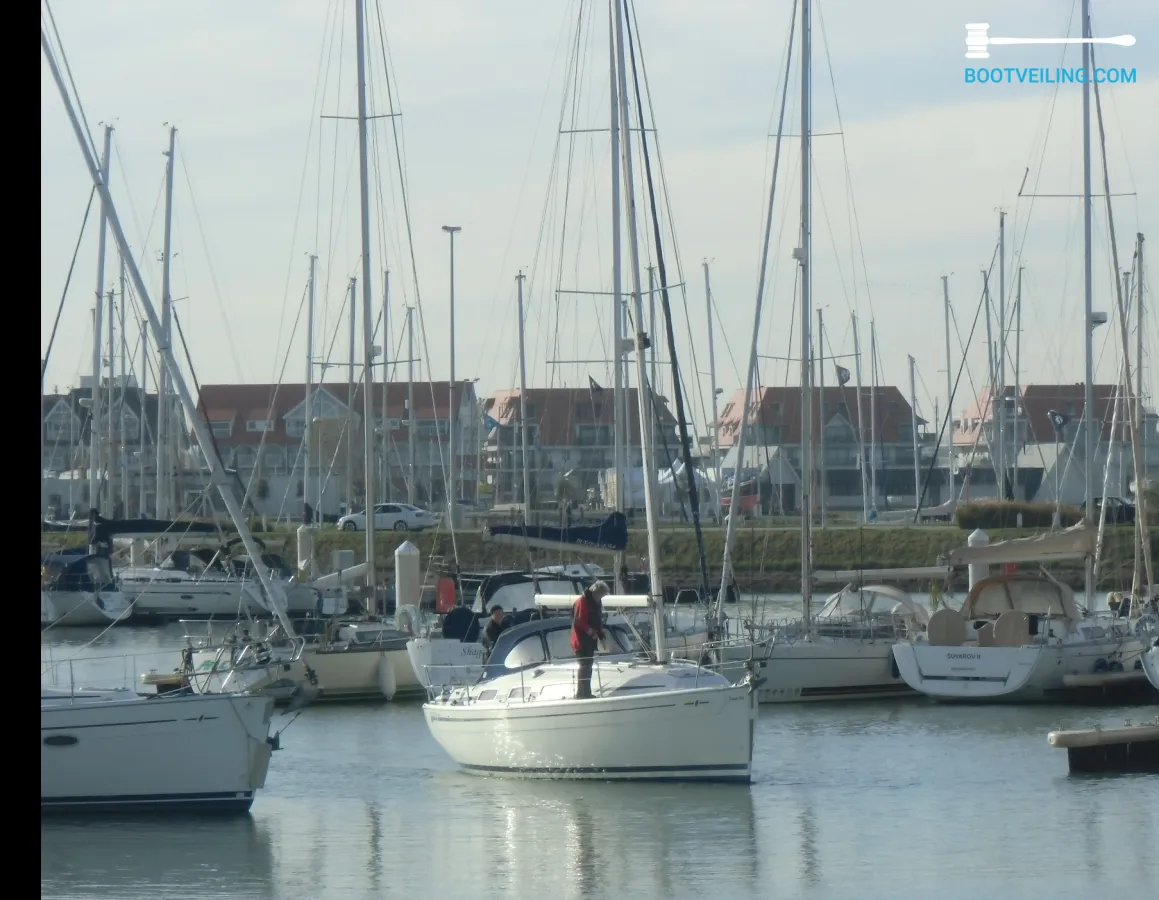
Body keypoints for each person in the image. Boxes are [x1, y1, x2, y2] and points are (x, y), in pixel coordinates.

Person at [571, 581, 609, 699]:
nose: (601, 597)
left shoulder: (596, 602)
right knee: (584, 666)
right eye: (601, 594)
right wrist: (591, 631)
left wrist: (600, 632)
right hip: (581, 639)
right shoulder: (582, 601)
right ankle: (581, 694)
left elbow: (598, 619)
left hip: (590, 640)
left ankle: (586, 692)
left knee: (588, 666)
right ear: (595, 592)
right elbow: (579, 621)